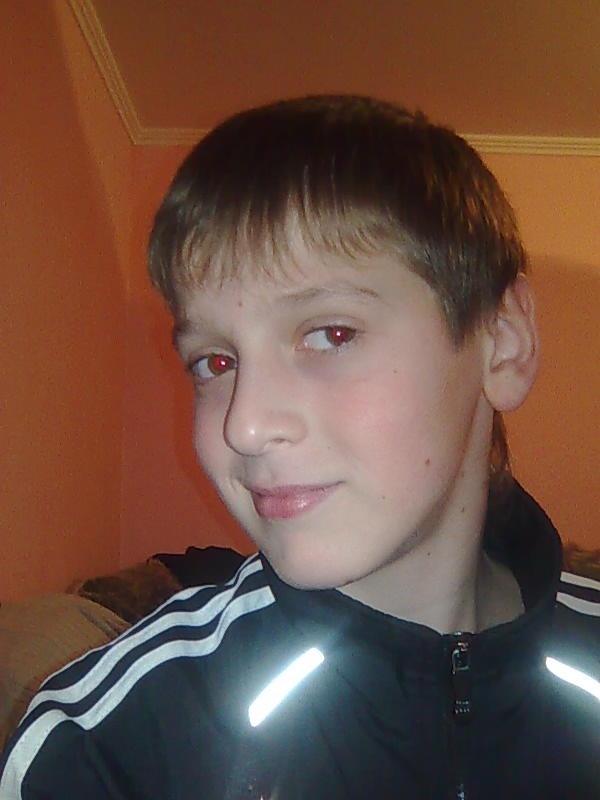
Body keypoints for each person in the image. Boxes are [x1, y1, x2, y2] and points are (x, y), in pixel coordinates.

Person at [1, 95, 599, 799]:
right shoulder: (108, 749)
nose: (245, 426)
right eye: (216, 362)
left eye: (330, 334)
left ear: (503, 341)